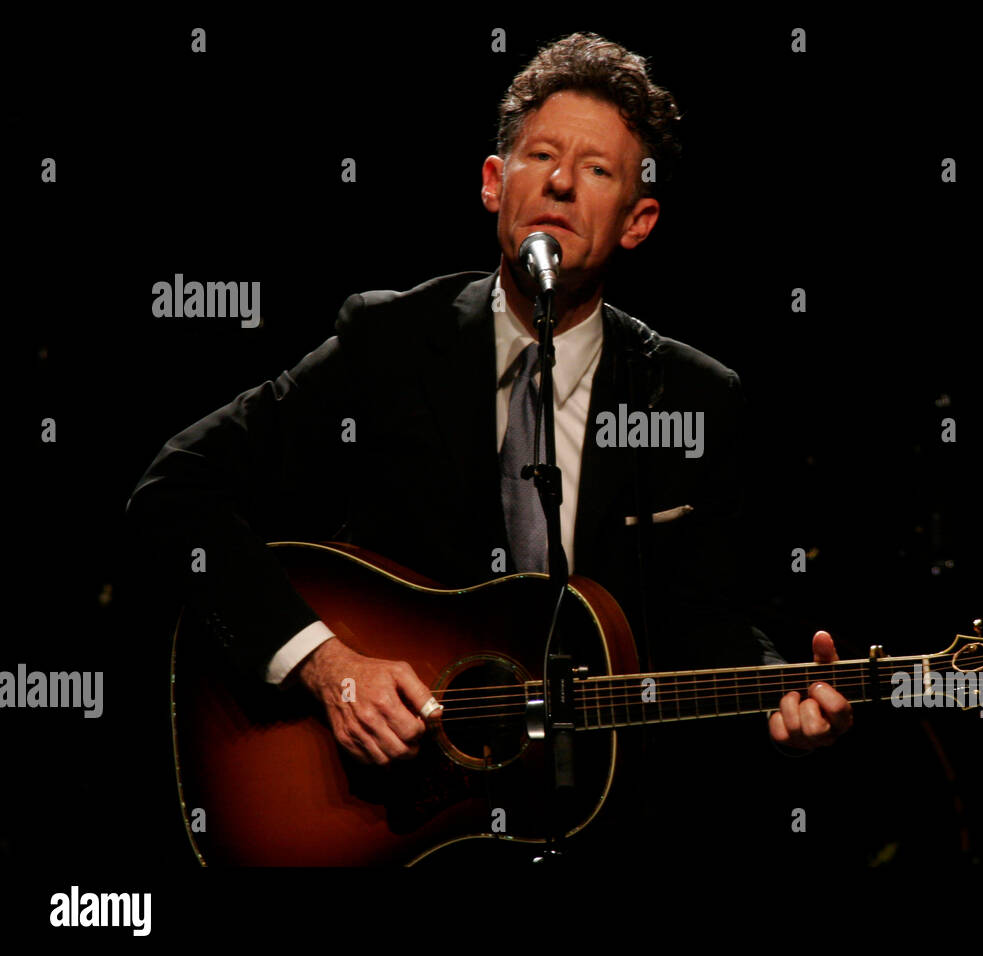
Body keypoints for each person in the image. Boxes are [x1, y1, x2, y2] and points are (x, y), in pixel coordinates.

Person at [127, 32, 850, 839]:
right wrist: (326, 666)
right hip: (388, 819)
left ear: (638, 222)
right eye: (541, 156)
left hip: (613, 828)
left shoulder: (694, 398)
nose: (564, 184)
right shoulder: (387, 344)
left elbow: (711, 619)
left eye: (599, 170)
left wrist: (779, 689)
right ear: (493, 184)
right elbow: (174, 490)